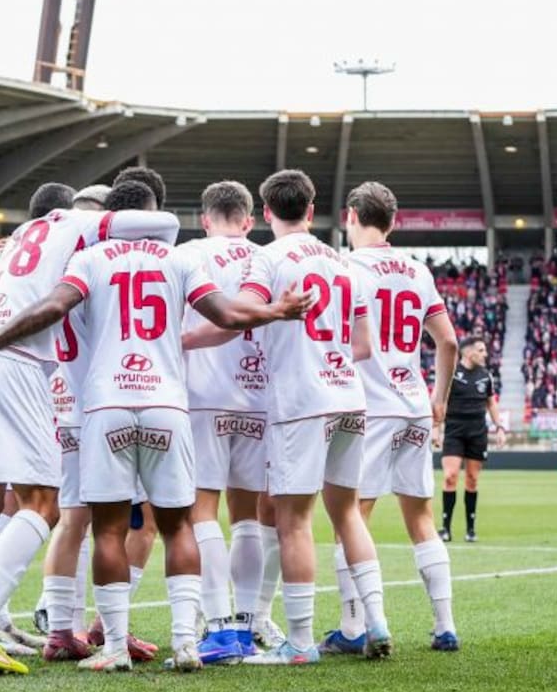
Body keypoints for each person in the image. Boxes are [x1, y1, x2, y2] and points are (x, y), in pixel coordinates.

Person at [0, 178, 311, 672]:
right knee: (176, 523)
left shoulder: (86, 260)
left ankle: (110, 644)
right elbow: (228, 314)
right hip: (168, 404)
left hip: (101, 406)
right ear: (149, 212)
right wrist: (278, 311)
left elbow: (56, 307)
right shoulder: (181, 258)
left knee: (102, 526)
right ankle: (188, 643)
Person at [0, 181, 183, 675]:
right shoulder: (82, 232)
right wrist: (106, 226)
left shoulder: (16, 240)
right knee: (46, 505)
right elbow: (164, 224)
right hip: (21, 365)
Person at [186, 169, 390, 666]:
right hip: (349, 395)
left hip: (301, 402)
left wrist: (184, 340)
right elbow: (364, 345)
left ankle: (299, 645)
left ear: (267, 212)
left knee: (294, 522)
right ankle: (377, 623)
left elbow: (241, 317)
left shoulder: (268, 258)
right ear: (313, 208)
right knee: (346, 514)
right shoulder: (343, 263)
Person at [330, 181, 461, 653]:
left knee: (351, 516)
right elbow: (447, 341)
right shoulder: (416, 270)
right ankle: (445, 625)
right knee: (420, 517)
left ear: (350, 216)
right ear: (393, 222)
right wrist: (439, 397)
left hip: (370, 405)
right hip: (413, 404)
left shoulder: (344, 266)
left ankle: (357, 627)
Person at [178, 180, 270, 665]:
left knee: (202, 510)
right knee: (248, 514)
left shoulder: (189, 253)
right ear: (249, 220)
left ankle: (219, 627)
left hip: (205, 396)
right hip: (260, 398)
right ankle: (250, 622)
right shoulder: (266, 258)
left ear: (205, 217)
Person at [438, 335, 505, 542]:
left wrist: (499, 426)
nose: (485, 354)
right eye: (481, 350)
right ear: (468, 352)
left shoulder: (486, 376)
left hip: (477, 432)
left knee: (472, 480)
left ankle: (470, 529)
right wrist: (436, 428)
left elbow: (491, 403)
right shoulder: (452, 374)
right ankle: (446, 529)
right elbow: (442, 401)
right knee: (450, 476)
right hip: (454, 431)